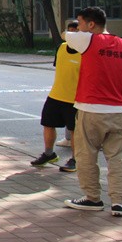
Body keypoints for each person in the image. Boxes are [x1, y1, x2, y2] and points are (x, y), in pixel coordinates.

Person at [63, 6, 122, 217]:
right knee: (117, 158)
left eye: (81, 23)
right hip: (119, 110)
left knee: (86, 155)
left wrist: (77, 32)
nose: (79, 28)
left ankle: (92, 198)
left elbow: (65, 35)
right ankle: (118, 202)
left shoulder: (88, 40)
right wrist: (121, 102)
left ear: (91, 24)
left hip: (90, 109)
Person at [30, 20, 81, 171]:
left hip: (75, 99)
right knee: (47, 123)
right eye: (70, 31)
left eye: (76, 32)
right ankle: (49, 154)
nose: (72, 35)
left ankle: (76, 159)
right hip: (56, 95)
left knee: (74, 130)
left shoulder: (85, 52)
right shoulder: (61, 48)